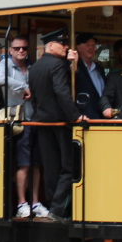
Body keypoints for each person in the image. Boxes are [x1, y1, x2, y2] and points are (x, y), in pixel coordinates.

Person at [27, 29, 86, 221]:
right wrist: (76, 117)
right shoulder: (58, 66)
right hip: (60, 122)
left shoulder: (34, 68)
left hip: (42, 122)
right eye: (62, 44)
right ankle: (58, 210)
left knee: (50, 166)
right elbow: (62, 94)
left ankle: (53, 205)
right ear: (50, 45)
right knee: (68, 166)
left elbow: (34, 97)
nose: (66, 47)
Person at [0, 35, 45, 219]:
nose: (21, 51)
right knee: (24, 164)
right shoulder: (6, 65)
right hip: (19, 120)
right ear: (10, 50)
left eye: (24, 48)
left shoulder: (32, 67)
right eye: (17, 48)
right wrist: (24, 86)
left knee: (36, 165)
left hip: (34, 119)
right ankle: (21, 203)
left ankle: (36, 202)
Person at [73, 32, 107, 119]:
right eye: (88, 45)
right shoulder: (74, 67)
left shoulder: (99, 69)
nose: (91, 48)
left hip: (101, 115)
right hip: (84, 116)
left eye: (93, 45)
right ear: (79, 48)